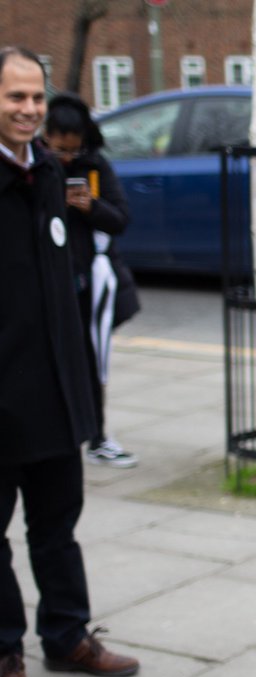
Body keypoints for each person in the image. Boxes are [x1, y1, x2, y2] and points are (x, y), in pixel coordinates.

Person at [0, 45, 139, 677]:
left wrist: (83, 396)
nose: (28, 110)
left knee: (57, 527)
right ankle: (4, 652)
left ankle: (67, 634)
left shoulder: (52, 176)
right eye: (14, 98)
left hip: (55, 398)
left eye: (34, 97)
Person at [42, 92, 140, 469]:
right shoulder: (38, 167)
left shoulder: (96, 167)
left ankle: (96, 435)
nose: (67, 158)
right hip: (50, 279)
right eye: (59, 150)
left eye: (73, 150)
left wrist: (91, 206)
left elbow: (120, 218)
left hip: (88, 281)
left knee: (91, 359)